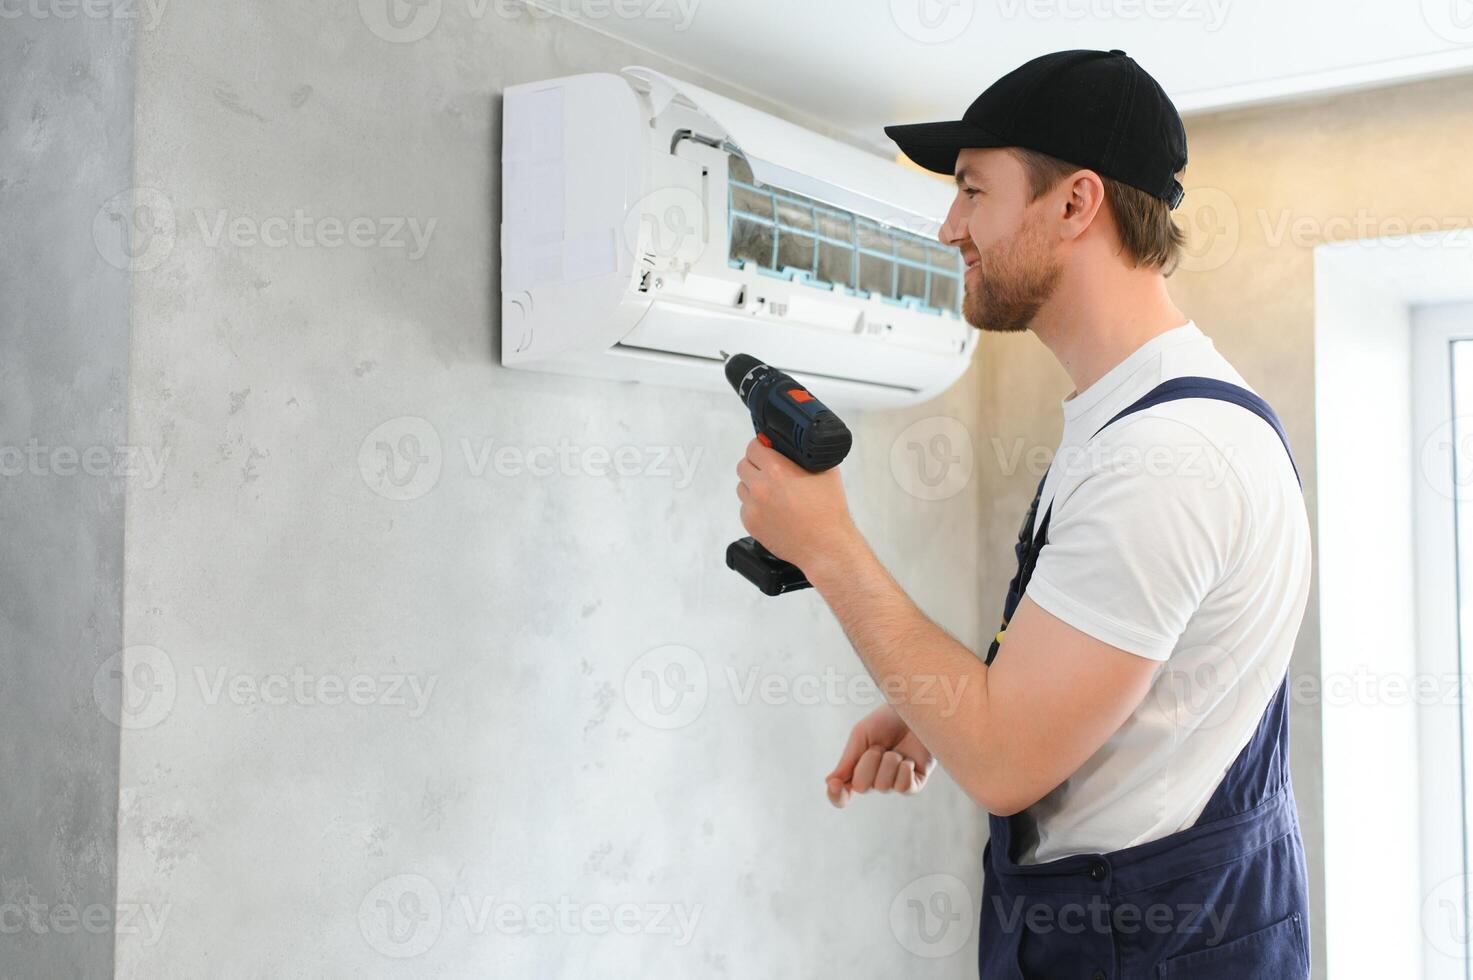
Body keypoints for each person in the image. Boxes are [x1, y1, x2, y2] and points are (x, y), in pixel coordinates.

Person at [732, 49, 1312, 978]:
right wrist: (940, 707)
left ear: (1075, 203)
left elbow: (1004, 764)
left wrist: (826, 544)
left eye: (971, 191)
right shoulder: (1138, 414)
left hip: (1145, 949)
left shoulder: (1165, 458)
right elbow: (1137, 677)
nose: (947, 227)